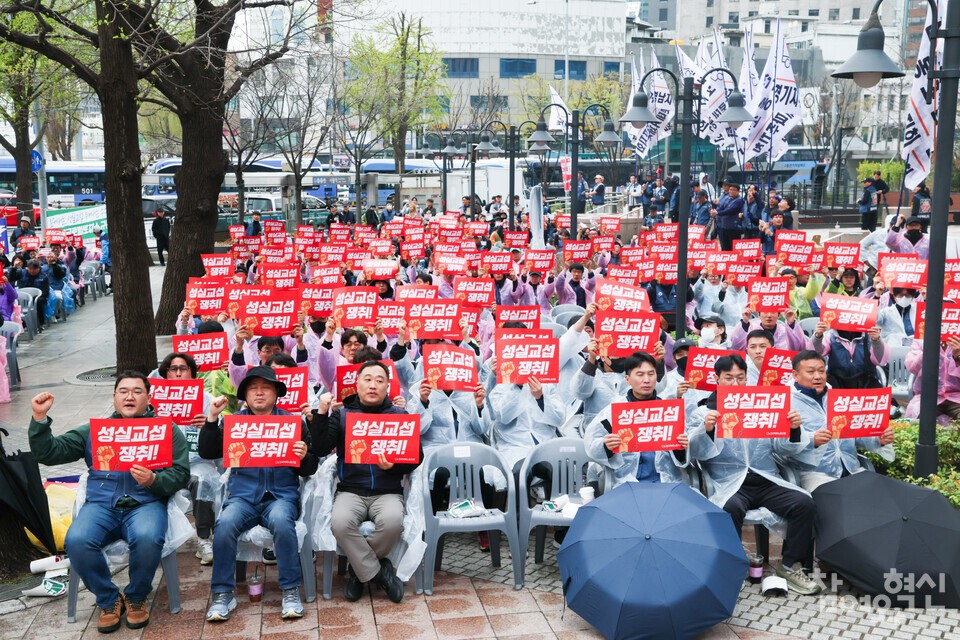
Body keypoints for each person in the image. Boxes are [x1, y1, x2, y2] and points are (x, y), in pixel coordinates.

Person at [28, 373, 190, 633]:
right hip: (101, 505)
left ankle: (136, 597)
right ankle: (108, 599)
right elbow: (48, 453)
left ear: (148, 397)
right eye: (123, 391)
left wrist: (154, 480)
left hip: (145, 504)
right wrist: (39, 419)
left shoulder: (166, 429)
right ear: (114, 397)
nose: (129, 396)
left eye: (137, 391)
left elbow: (182, 473)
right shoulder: (95, 430)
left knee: (149, 536)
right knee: (77, 540)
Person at [685, 355, 820, 595]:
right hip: (729, 482)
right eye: (728, 378)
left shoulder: (763, 406)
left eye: (740, 378)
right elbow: (696, 452)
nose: (735, 384)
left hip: (765, 478)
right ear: (717, 379)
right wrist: (706, 429)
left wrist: (793, 429)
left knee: (804, 503)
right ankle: (730, 566)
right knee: (731, 509)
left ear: (747, 378)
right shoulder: (704, 411)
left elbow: (782, 448)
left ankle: (789, 565)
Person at [200, 366, 319, 622]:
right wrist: (211, 419)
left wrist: (304, 456)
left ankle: (289, 589)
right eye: (253, 388)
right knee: (224, 525)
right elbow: (208, 452)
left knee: (281, 522)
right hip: (242, 497)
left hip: (281, 496)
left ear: (276, 393)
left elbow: (311, 467)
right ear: (245, 395)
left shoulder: (293, 422)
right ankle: (222, 593)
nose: (259, 393)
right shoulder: (233, 423)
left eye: (266, 387)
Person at [313, 361, 422, 603]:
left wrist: (395, 465)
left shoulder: (400, 416)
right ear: (357, 384)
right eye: (367, 379)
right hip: (351, 490)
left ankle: (357, 572)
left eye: (379, 380)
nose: (373, 385)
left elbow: (417, 457)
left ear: (387, 387)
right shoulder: (342, 415)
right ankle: (379, 572)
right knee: (340, 523)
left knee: (393, 523)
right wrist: (321, 413)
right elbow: (320, 447)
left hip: (387, 491)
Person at [787, 351, 894, 492]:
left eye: (821, 371)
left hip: (852, 468)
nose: (818, 376)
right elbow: (782, 446)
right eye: (811, 372)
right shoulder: (788, 403)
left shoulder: (839, 399)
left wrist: (878, 439)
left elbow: (854, 433)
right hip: (814, 474)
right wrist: (812, 439)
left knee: (883, 494)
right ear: (796, 375)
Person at [584, 351, 689, 490]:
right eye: (640, 374)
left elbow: (683, 455)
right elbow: (592, 443)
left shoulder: (668, 410)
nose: (646, 380)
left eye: (651, 374)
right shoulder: (615, 411)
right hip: (628, 483)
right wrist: (606, 445)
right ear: (627, 379)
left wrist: (681, 447)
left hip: (666, 482)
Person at [158, 352, 218, 565]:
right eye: (172, 369)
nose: (178, 373)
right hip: (163, 466)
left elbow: (223, 437)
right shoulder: (153, 401)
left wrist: (210, 424)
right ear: (165, 375)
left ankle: (204, 538)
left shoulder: (208, 400)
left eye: (183, 368)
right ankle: (155, 539)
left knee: (203, 482)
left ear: (193, 373)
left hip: (197, 463)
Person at [713, 183, 745, 251]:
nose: (731, 191)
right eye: (730, 189)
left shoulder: (739, 200)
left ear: (738, 191)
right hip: (723, 227)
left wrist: (718, 213)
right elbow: (721, 207)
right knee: (724, 248)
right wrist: (715, 210)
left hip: (734, 229)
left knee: (733, 249)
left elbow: (729, 210)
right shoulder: (727, 198)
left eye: (733, 190)